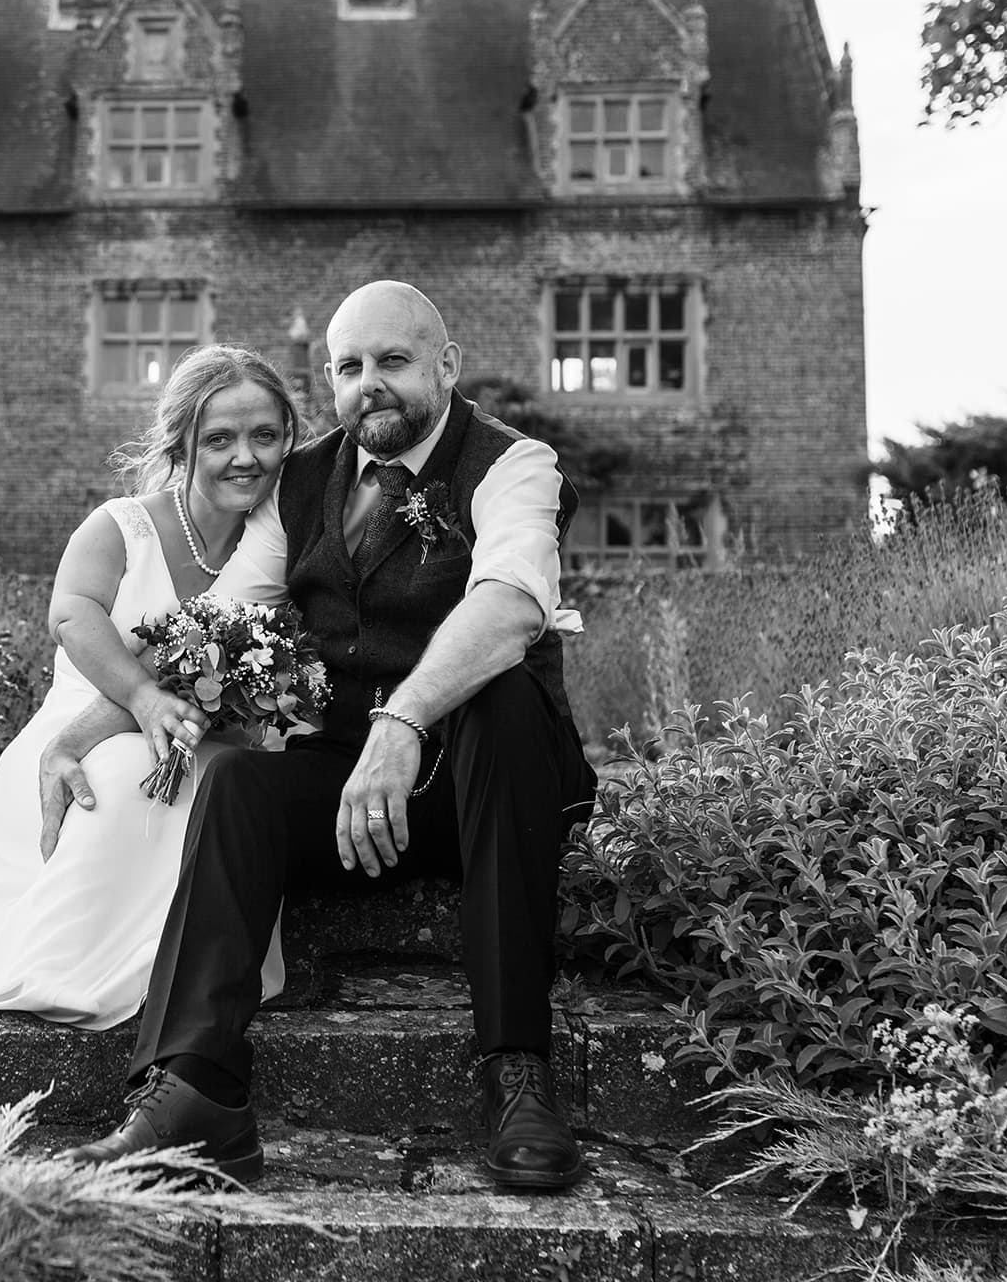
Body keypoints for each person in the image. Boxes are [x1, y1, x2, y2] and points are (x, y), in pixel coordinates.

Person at [55, 281, 599, 1190]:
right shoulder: (305, 478)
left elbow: (510, 608)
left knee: (502, 702)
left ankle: (518, 1075)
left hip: (488, 791)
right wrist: (87, 728)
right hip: (353, 796)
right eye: (350, 368)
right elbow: (226, 624)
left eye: (392, 361)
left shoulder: (513, 464)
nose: (369, 386)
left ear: (446, 365)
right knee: (237, 783)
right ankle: (195, 1094)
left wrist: (401, 723)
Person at [0, 345, 303, 1028]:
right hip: (79, 734)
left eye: (264, 437)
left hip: (211, 742)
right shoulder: (123, 527)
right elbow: (71, 614)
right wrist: (142, 697)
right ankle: (63, 964)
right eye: (219, 439)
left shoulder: (281, 541)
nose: (244, 457)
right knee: (131, 767)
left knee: (229, 786)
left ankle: (188, 973)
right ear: (182, 443)